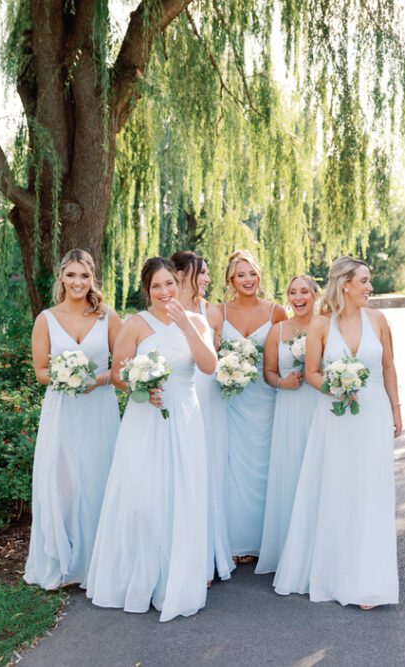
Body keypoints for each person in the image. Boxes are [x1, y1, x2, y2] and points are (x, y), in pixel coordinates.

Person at [86, 257, 217, 621]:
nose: (164, 292)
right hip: (146, 418)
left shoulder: (197, 322)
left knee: (182, 492)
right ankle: (140, 577)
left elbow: (209, 366)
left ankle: (179, 578)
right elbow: (117, 375)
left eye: (170, 284)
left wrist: (187, 327)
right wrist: (143, 388)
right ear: (147, 290)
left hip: (185, 417)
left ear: (179, 284)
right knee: (144, 497)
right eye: (156, 286)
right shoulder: (135, 325)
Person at [274, 257, 402, 608]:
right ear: (345, 284)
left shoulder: (378, 319)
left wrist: (396, 409)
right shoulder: (320, 324)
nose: (369, 287)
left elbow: (389, 365)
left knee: (371, 492)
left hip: (373, 413)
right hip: (335, 415)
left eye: (369, 281)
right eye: (363, 281)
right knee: (338, 490)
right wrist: (335, 387)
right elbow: (312, 371)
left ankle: (369, 579)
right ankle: (336, 573)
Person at [24, 249, 121, 590]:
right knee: (62, 483)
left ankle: (98, 561)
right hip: (63, 409)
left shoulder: (107, 316)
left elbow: (123, 365)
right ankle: (64, 560)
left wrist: (98, 379)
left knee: (98, 477)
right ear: (61, 277)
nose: (78, 282)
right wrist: (67, 379)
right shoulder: (46, 319)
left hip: (99, 406)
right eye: (72, 275)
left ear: (92, 278)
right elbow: (40, 371)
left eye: (84, 276)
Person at [217, 250, 287, 564]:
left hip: (266, 397)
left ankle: (265, 541)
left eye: (252, 273)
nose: (248, 280)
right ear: (230, 279)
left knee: (265, 466)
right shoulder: (217, 312)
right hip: (232, 399)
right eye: (241, 274)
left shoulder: (276, 312)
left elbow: (285, 356)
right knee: (233, 468)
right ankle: (234, 542)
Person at [172, 250, 234, 583]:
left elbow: (218, 354)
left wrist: (232, 369)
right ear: (181, 274)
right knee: (187, 468)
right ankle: (188, 553)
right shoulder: (166, 308)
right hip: (184, 393)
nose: (208, 278)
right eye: (202, 272)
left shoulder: (211, 311)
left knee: (212, 470)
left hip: (211, 394)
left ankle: (211, 551)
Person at [256, 275, 323, 574]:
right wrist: (282, 382)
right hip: (290, 407)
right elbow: (268, 372)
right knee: (293, 472)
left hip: (319, 407)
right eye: (292, 292)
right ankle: (290, 549)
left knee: (320, 472)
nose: (298, 297)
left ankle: (320, 546)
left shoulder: (327, 326)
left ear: (315, 294)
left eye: (304, 292)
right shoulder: (277, 330)